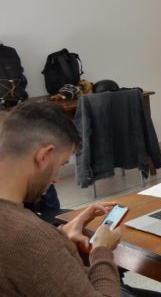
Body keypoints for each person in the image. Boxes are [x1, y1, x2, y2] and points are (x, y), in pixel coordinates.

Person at [0, 101, 122, 296]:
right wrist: (102, 250)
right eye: (60, 165)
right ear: (45, 156)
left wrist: (61, 234)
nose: (56, 178)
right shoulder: (31, 237)